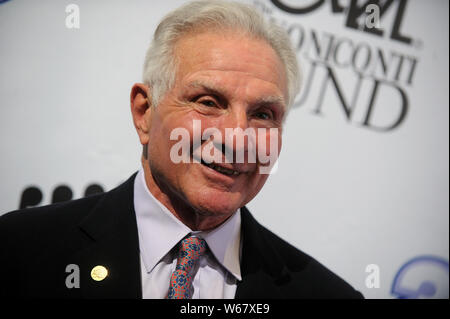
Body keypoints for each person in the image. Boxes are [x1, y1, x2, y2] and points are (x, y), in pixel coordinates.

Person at [0, 0, 363, 299]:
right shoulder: (20, 252)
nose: (237, 138)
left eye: (263, 114)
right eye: (208, 102)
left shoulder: (325, 296)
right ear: (144, 112)